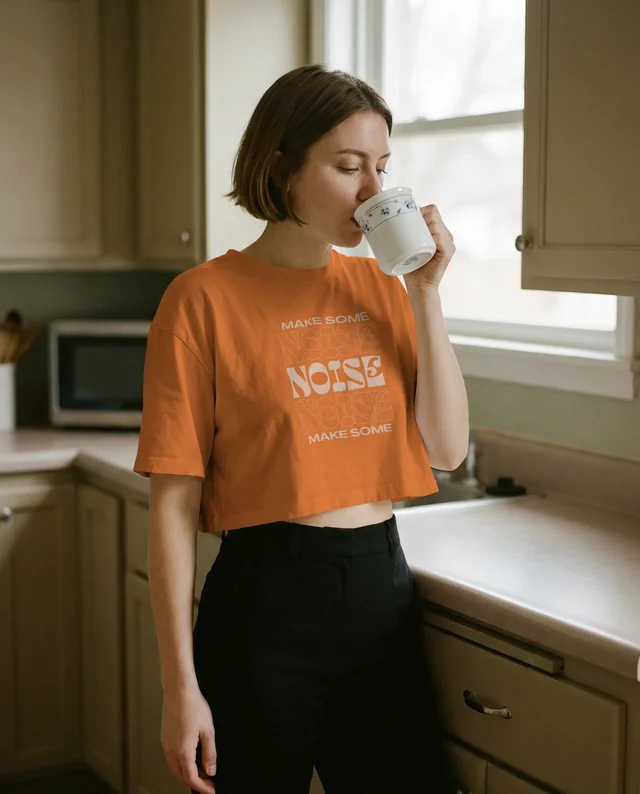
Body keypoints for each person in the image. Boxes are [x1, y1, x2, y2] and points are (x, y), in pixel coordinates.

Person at [133, 63, 469, 794]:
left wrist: (425, 295)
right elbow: (172, 506)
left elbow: (447, 449)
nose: (372, 191)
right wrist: (179, 686)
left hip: (382, 594)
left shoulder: (384, 288)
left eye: (382, 168)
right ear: (283, 168)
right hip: (265, 606)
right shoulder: (201, 300)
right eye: (348, 167)